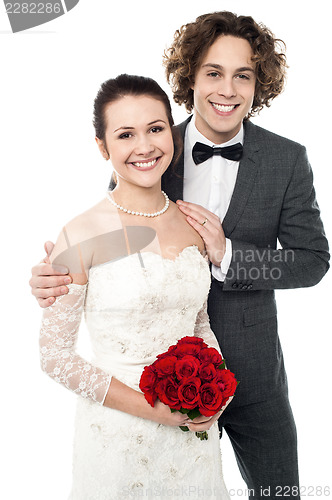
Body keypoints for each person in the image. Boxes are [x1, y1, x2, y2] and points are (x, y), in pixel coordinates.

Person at [30, 11, 330, 499]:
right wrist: (51, 276)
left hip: (254, 378)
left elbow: (313, 261)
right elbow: (106, 246)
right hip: (150, 387)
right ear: (189, 78)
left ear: (261, 85)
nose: (227, 90)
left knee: (282, 494)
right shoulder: (150, 147)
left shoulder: (287, 160)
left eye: (243, 75)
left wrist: (231, 255)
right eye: (213, 73)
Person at [38, 73, 231, 499]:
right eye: (126, 135)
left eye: (156, 129)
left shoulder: (193, 224)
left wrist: (216, 393)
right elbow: (53, 357)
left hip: (194, 438)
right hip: (117, 437)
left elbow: (199, 324)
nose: (144, 147)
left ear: (173, 135)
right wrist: (156, 412)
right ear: (103, 147)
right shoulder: (81, 232)